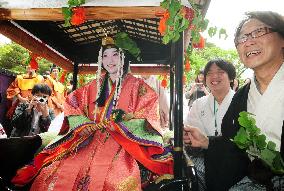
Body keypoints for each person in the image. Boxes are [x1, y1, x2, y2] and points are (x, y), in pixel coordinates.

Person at [10, 36, 173, 190]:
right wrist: (83, 125)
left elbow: (149, 116)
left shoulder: (140, 88)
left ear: (124, 56)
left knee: (115, 181)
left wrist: (121, 126)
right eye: (105, 55)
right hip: (88, 140)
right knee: (51, 174)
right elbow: (72, 103)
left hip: (122, 144)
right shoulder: (92, 86)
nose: (110, 61)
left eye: (115, 55)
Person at [184, 11, 284, 190]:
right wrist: (206, 141)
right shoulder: (243, 95)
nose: (249, 41)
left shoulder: (235, 96)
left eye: (259, 31)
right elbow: (232, 144)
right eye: (242, 38)